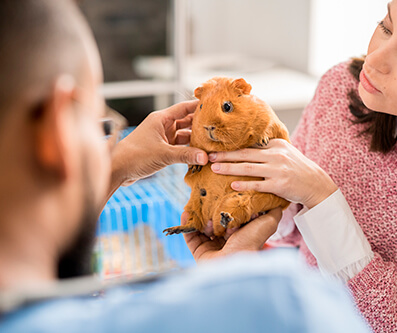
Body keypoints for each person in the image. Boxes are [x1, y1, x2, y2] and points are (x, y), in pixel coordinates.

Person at [0, 0, 371, 332]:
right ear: (58, 130)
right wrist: (230, 275)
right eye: (100, 123)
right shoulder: (281, 305)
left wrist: (117, 168)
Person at [188, 0, 397, 331]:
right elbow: (292, 231)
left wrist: (323, 199)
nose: (375, 59)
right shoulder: (339, 88)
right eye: (386, 26)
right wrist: (242, 214)